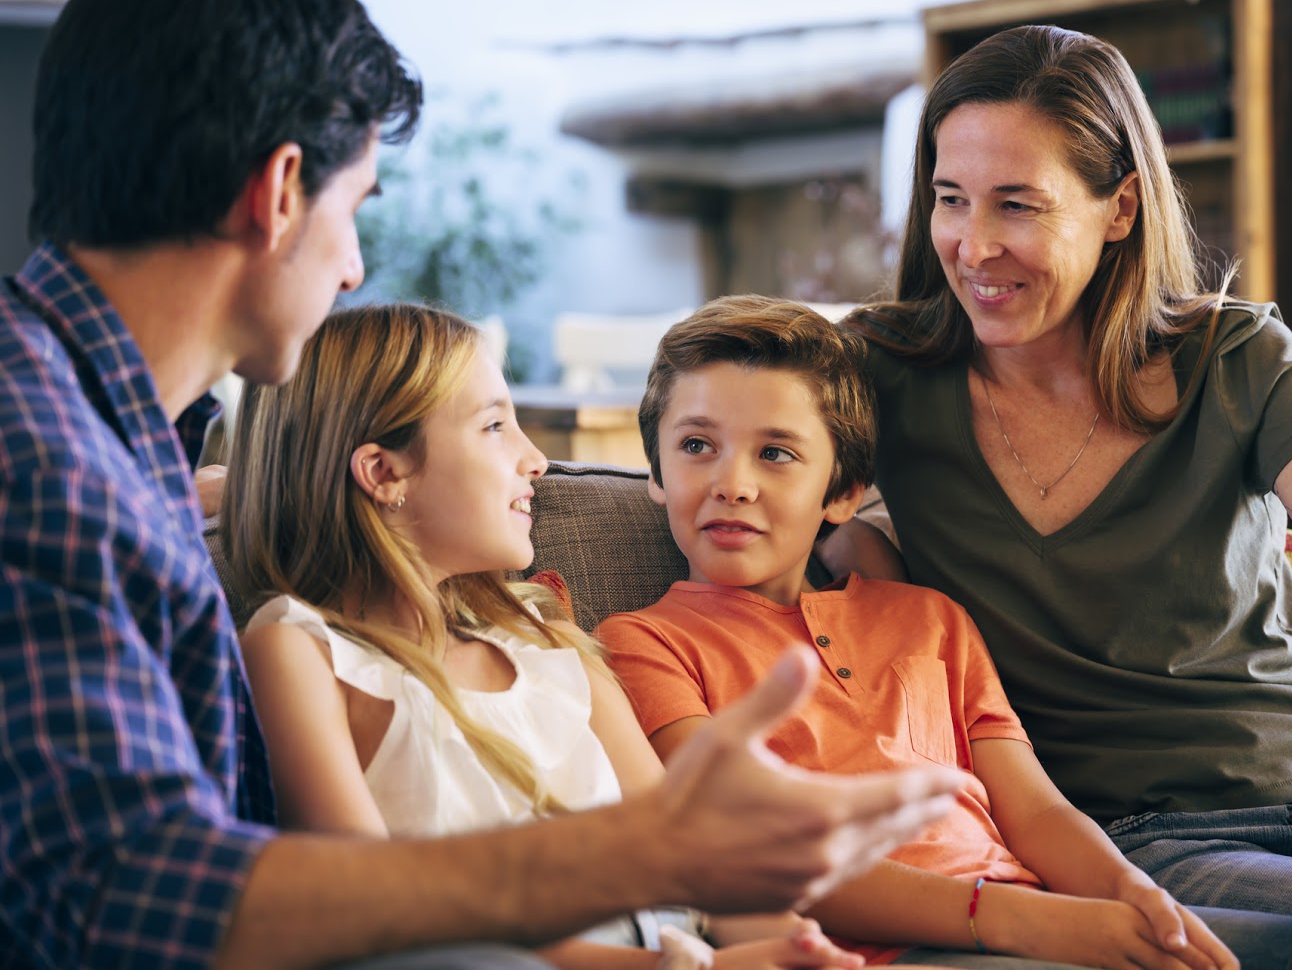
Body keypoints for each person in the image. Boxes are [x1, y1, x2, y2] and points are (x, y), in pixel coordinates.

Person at [0, 0, 961, 970]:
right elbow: (126, 896)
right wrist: (636, 852)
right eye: (356, 205)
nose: (354, 265)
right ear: (280, 191)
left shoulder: (101, 447)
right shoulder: (48, 466)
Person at [816, 23, 1292, 969]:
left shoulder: (1237, 356)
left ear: (1119, 208)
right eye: (950, 199)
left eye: (1017, 205)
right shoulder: (882, 376)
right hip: (1151, 840)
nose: (974, 245)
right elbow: (754, 462)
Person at [595, 295, 1292, 970]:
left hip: (1040, 913)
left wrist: (1133, 898)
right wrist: (1030, 917)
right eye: (697, 446)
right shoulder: (644, 645)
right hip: (913, 945)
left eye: (776, 453)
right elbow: (752, 862)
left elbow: (1037, 808)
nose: (732, 483)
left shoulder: (928, 618)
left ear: (841, 493)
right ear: (655, 472)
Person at [226, 301, 870, 970]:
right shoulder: (300, 654)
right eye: (495, 425)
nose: (535, 459)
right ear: (384, 472)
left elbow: (686, 850)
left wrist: (803, 946)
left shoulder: (545, 641)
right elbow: (375, 916)